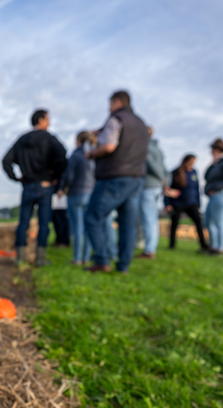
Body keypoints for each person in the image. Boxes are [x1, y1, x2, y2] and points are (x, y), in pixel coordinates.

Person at [84, 90, 149, 273]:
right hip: (137, 178)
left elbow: (109, 146)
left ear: (116, 102)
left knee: (92, 216)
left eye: (110, 104)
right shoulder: (141, 124)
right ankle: (123, 266)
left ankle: (102, 260)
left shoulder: (115, 119)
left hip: (115, 176)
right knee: (127, 224)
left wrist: (91, 153)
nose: (108, 108)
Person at [2, 109, 68, 266]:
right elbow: (63, 156)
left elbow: (6, 161)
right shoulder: (49, 138)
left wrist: (16, 177)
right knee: (43, 223)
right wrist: (54, 176)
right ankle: (40, 258)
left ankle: (20, 257)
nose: (49, 123)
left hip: (27, 186)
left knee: (23, 222)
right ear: (41, 120)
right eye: (47, 119)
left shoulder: (21, 140)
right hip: (45, 185)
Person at [58, 131, 96, 264]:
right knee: (88, 228)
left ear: (78, 141)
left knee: (77, 228)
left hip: (76, 194)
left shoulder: (75, 156)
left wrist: (62, 188)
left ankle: (77, 258)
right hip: (90, 194)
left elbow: (69, 175)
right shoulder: (93, 156)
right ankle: (86, 258)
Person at [165, 154, 208, 250]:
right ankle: (172, 246)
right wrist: (167, 203)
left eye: (193, 163)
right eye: (189, 162)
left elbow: (196, 189)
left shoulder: (194, 172)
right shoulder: (174, 172)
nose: (191, 165)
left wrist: (198, 204)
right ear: (184, 161)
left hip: (192, 203)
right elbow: (167, 190)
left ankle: (203, 245)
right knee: (174, 224)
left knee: (198, 222)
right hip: (177, 203)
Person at [137, 126, 167, 259]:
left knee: (147, 219)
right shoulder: (158, 149)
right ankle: (150, 247)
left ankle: (149, 250)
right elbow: (165, 169)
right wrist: (164, 181)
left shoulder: (145, 148)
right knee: (152, 219)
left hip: (148, 186)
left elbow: (151, 165)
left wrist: (161, 178)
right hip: (156, 188)